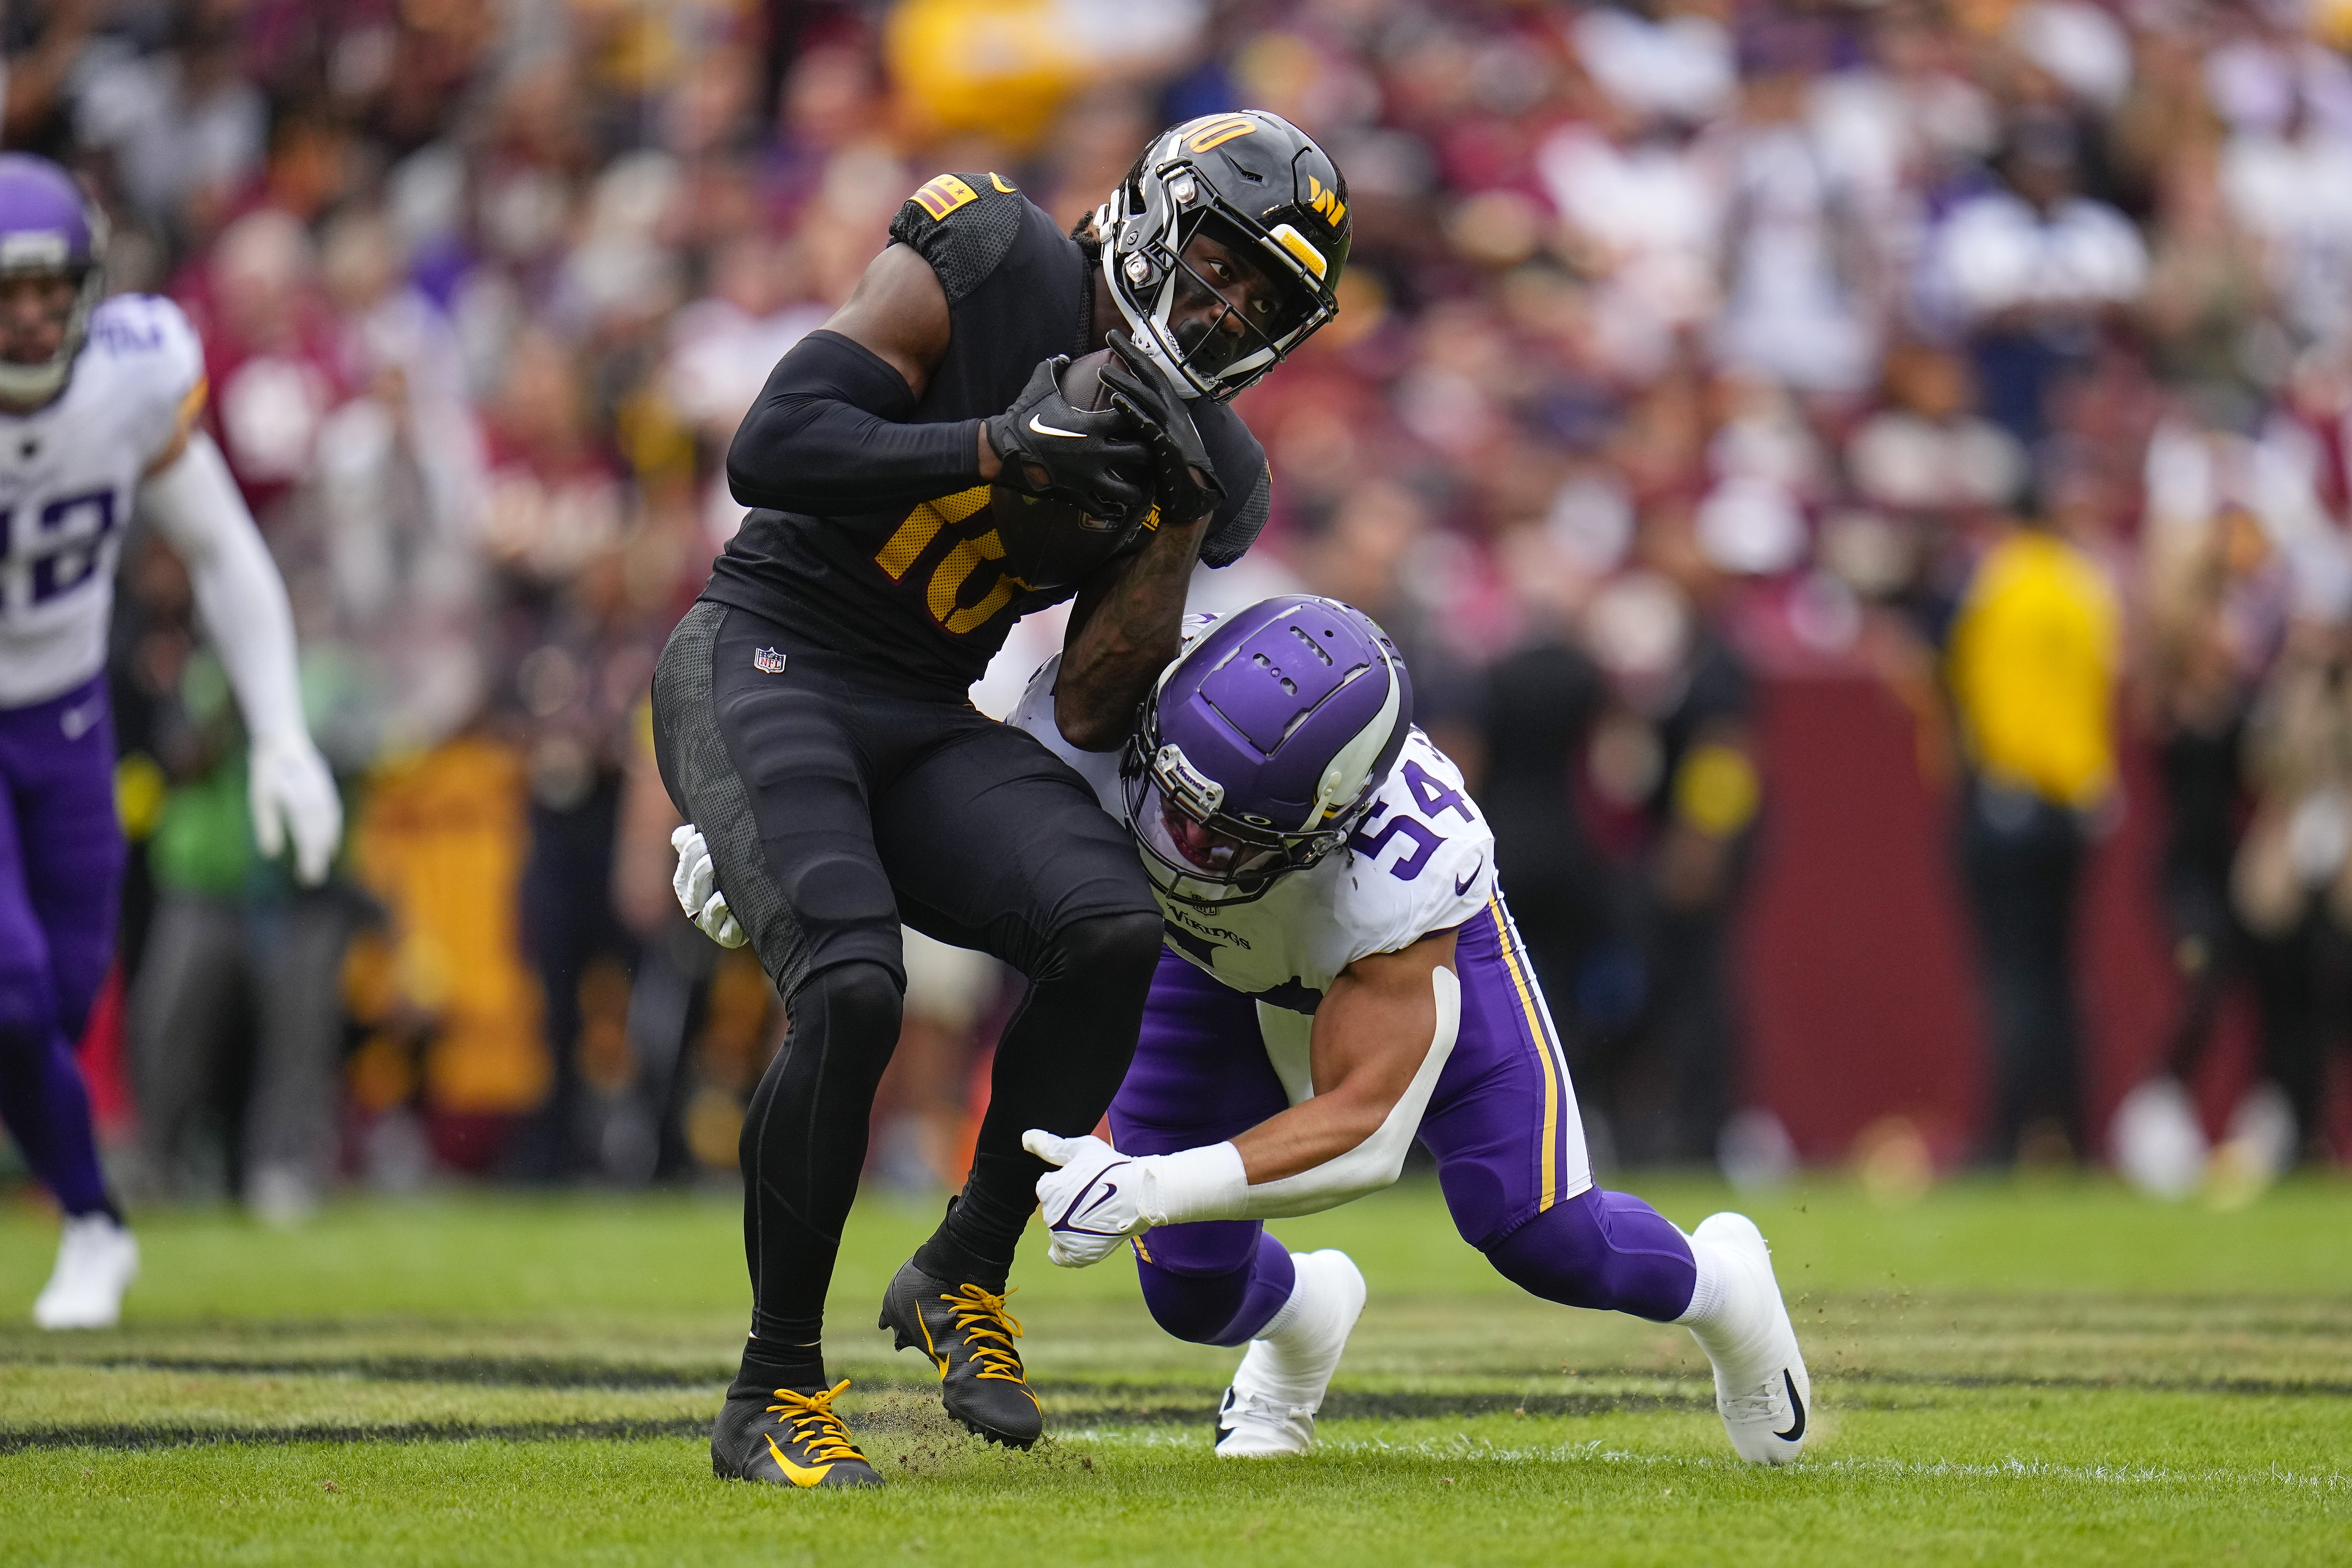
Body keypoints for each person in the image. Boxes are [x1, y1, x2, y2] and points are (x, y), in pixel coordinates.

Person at [656, 111, 1345, 1487]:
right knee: (853, 988)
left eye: (1260, 301)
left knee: (1107, 927)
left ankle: (963, 1270)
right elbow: (771, 448)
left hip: (921, 706)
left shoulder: (1208, 452)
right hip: (767, 651)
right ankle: (769, 1389)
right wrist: (987, 444)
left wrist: (1178, 523)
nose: (1223, 309)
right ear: (1153, 216)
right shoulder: (994, 258)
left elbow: (1089, 702)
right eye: (1216, 264)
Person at [1006, 596, 1812, 1465]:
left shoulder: (1399, 879)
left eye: (1223, 835)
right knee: (1193, 1297)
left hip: (1357, 955)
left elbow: (1366, 1134)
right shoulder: (1103, 703)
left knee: (1547, 1235)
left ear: (1327, 825)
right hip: (1195, 956)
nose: (1181, 843)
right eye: (1174, 803)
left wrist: (1153, 1185)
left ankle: (1727, 1289)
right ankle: (1308, 1315)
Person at [0, 154, 340, 1326]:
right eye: (11, 293)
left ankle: (89, 1215)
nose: (37, 314)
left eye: (54, 288)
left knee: (61, 996)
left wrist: (284, 734)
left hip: (69, 718)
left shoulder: (133, 376)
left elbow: (224, 551)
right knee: (10, 983)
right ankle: (94, 1220)